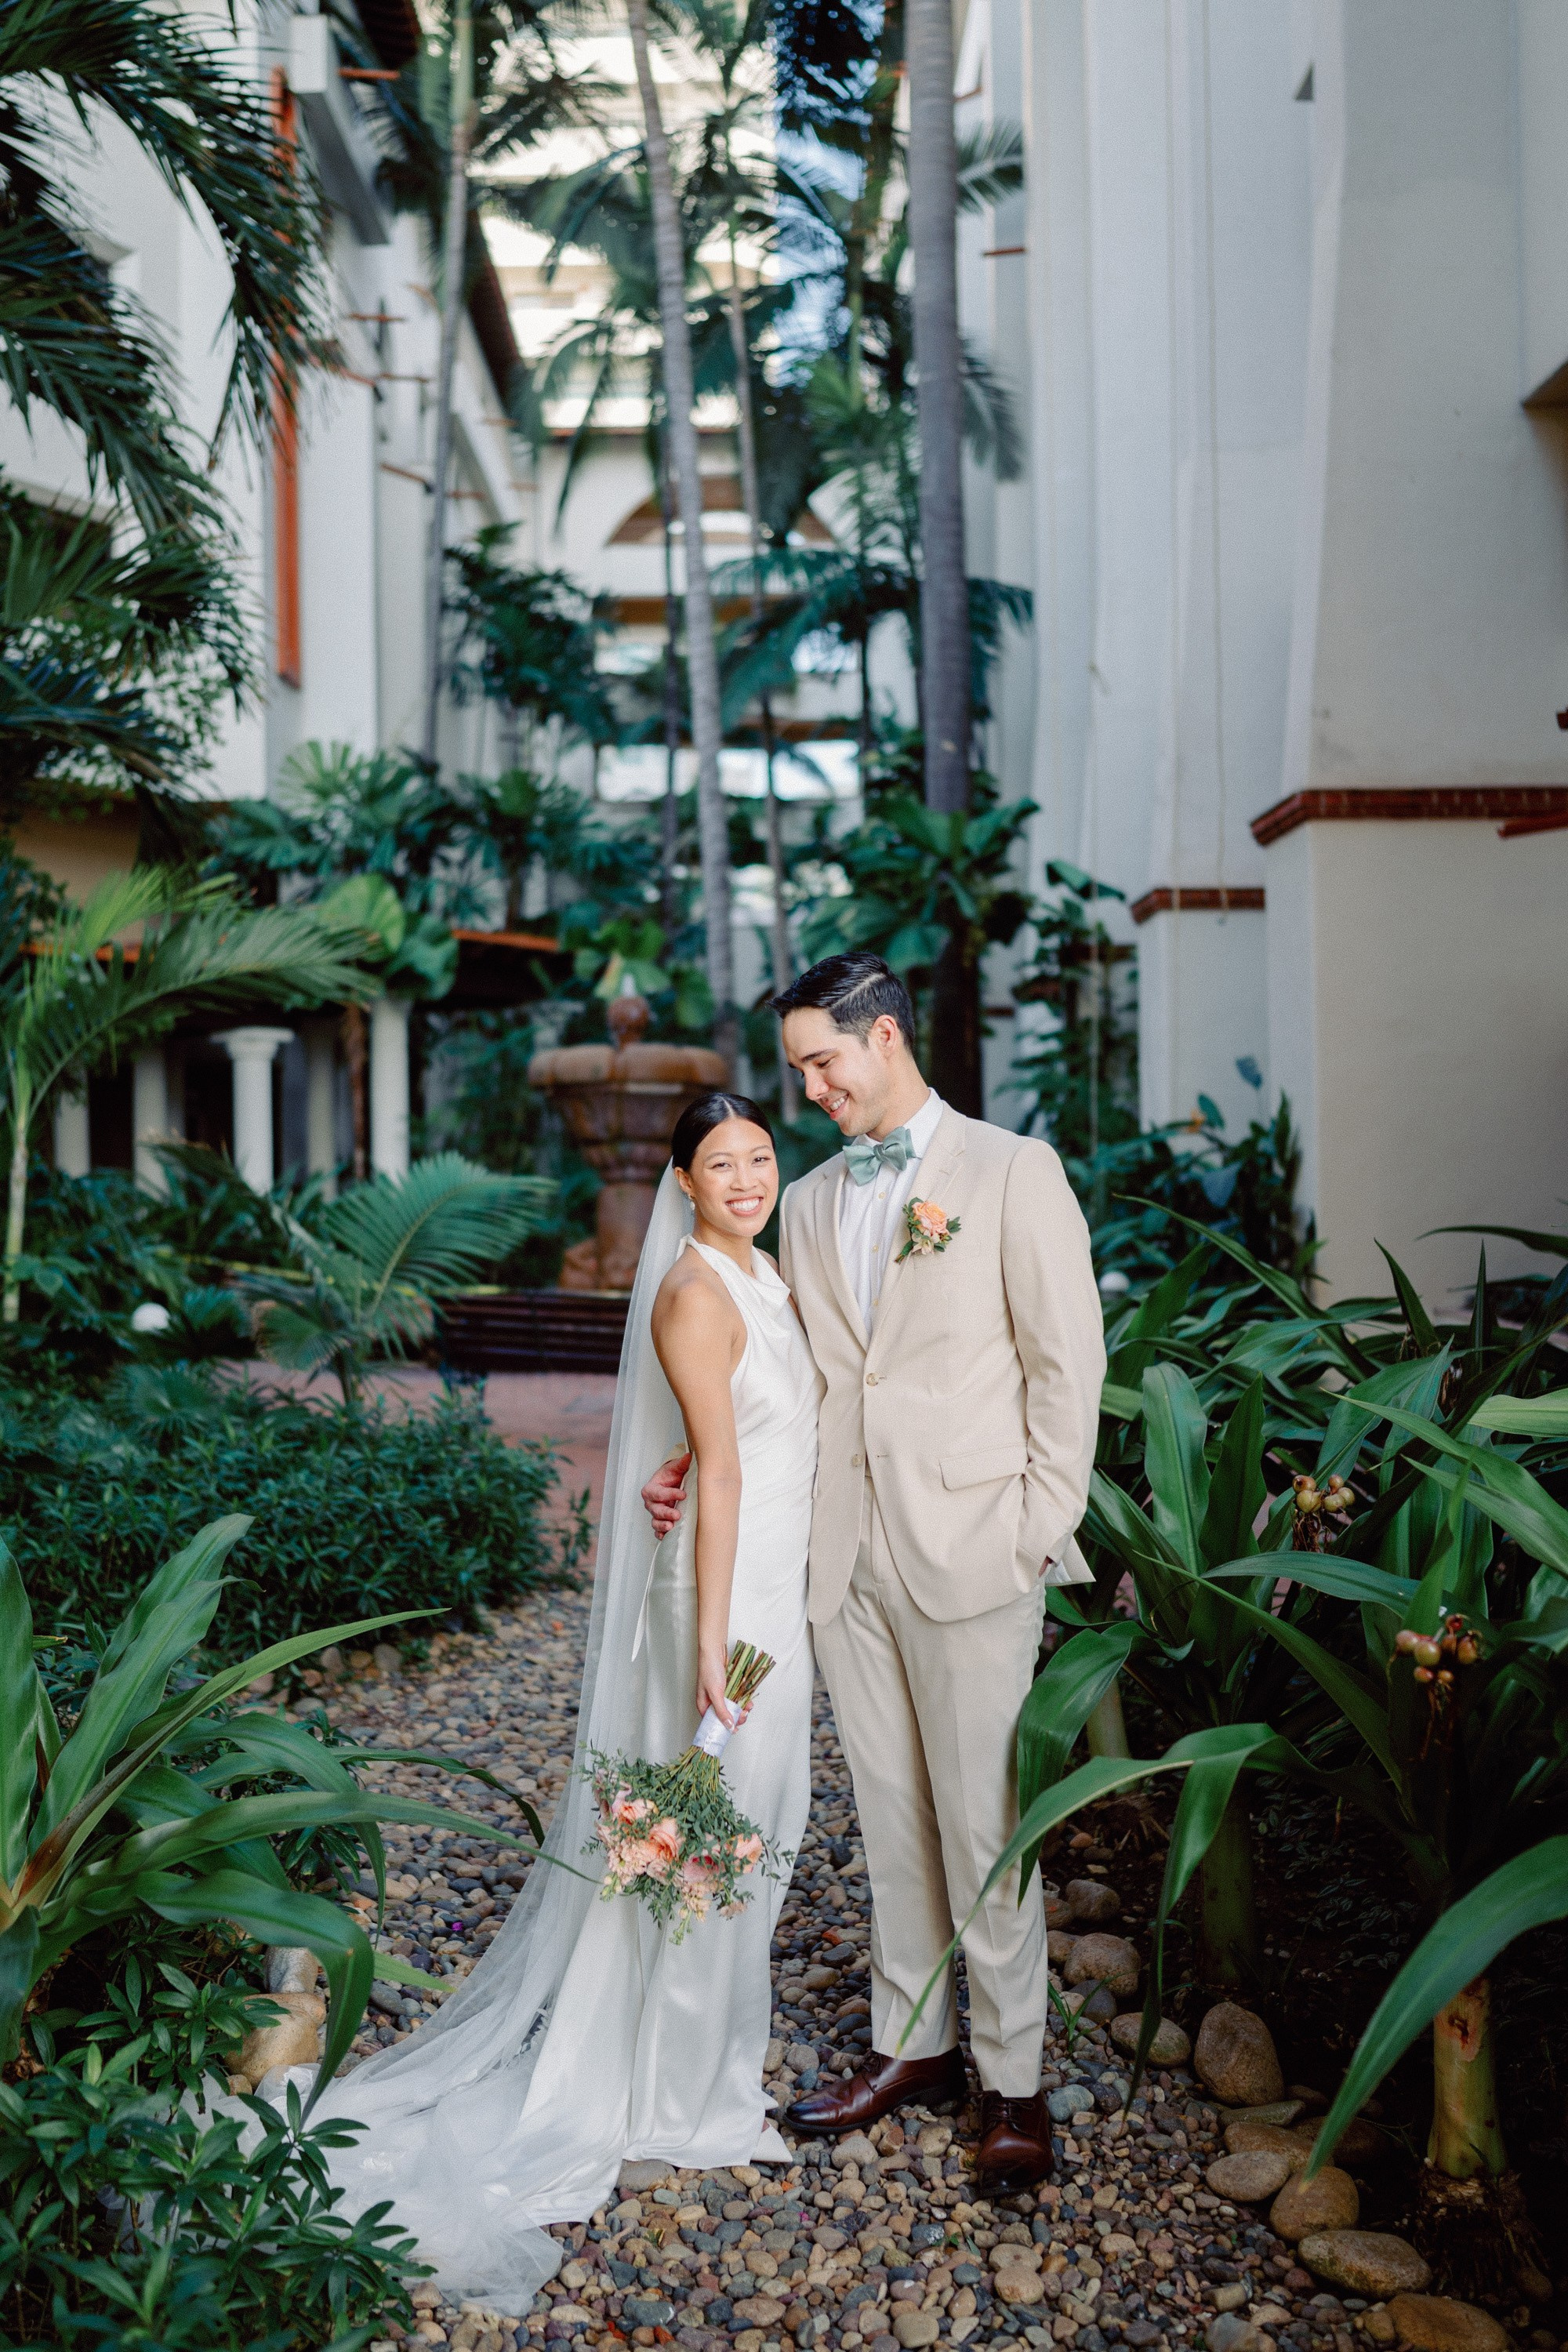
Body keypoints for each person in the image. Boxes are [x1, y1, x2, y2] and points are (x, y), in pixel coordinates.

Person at [311, 1091, 819, 2310]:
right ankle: (673, 2100)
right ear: (684, 1185)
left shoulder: (765, 1274)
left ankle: (707, 2071)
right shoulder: (696, 1291)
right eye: (721, 1164)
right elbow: (732, 1472)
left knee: (760, 1836)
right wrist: (715, 1641)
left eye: (760, 1157)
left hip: (769, 1585)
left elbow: (731, 1436)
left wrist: (680, 1470)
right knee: (710, 1846)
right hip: (733, 1601)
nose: (747, 1178)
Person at [644, 953, 1105, 2191]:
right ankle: (915, 2047)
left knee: (986, 1824)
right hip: (840, 1559)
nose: (808, 1090)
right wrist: (690, 1463)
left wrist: (1030, 1524)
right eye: (798, 1068)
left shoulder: (1013, 1173)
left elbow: (1070, 1368)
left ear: (885, 1036)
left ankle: (1015, 2080)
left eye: (821, 1062)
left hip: (972, 1550)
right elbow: (776, 1370)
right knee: (893, 1820)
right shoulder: (805, 1201)